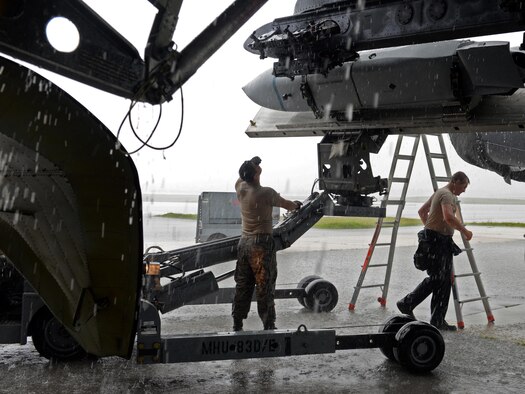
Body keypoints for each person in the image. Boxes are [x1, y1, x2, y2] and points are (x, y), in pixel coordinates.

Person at [396, 171, 473, 331]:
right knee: (439, 278)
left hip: (434, 240)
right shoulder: (447, 195)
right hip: (437, 242)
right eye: (464, 186)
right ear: (455, 182)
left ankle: (438, 320)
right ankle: (408, 302)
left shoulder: (439, 192)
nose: (464, 190)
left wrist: (429, 228)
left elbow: (422, 212)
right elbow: (448, 217)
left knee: (444, 282)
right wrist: (464, 231)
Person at [232, 156, 300, 331]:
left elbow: (241, 177)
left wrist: (250, 164)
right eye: (255, 169)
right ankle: (269, 325)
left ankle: (237, 322)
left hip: (244, 243)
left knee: (243, 285)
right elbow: (288, 205)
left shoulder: (241, 189)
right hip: (260, 245)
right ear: (255, 175)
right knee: (264, 286)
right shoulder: (266, 193)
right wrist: (297, 205)